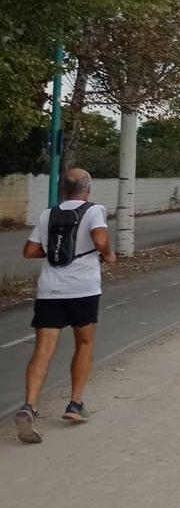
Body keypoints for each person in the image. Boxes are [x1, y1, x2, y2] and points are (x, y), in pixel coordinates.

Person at [14, 168, 115, 444]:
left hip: (50, 290)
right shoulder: (94, 210)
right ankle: (75, 404)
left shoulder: (48, 214)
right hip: (82, 290)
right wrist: (108, 255)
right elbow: (100, 240)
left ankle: (29, 406)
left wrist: (57, 247)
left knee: (43, 350)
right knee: (84, 343)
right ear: (87, 189)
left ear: (63, 189)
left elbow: (30, 251)